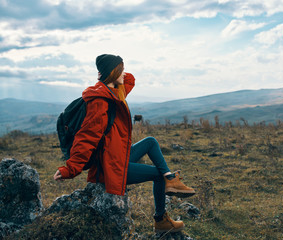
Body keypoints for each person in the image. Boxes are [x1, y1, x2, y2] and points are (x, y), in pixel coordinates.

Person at [53, 54, 195, 233]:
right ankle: (161, 220)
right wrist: (70, 169)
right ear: (113, 73)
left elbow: (130, 80)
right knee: (158, 175)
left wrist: (114, 71)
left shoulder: (113, 93)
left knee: (150, 142)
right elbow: (86, 138)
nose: (124, 74)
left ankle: (171, 179)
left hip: (117, 158)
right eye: (121, 70)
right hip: (109, 167)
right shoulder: (100, 102)